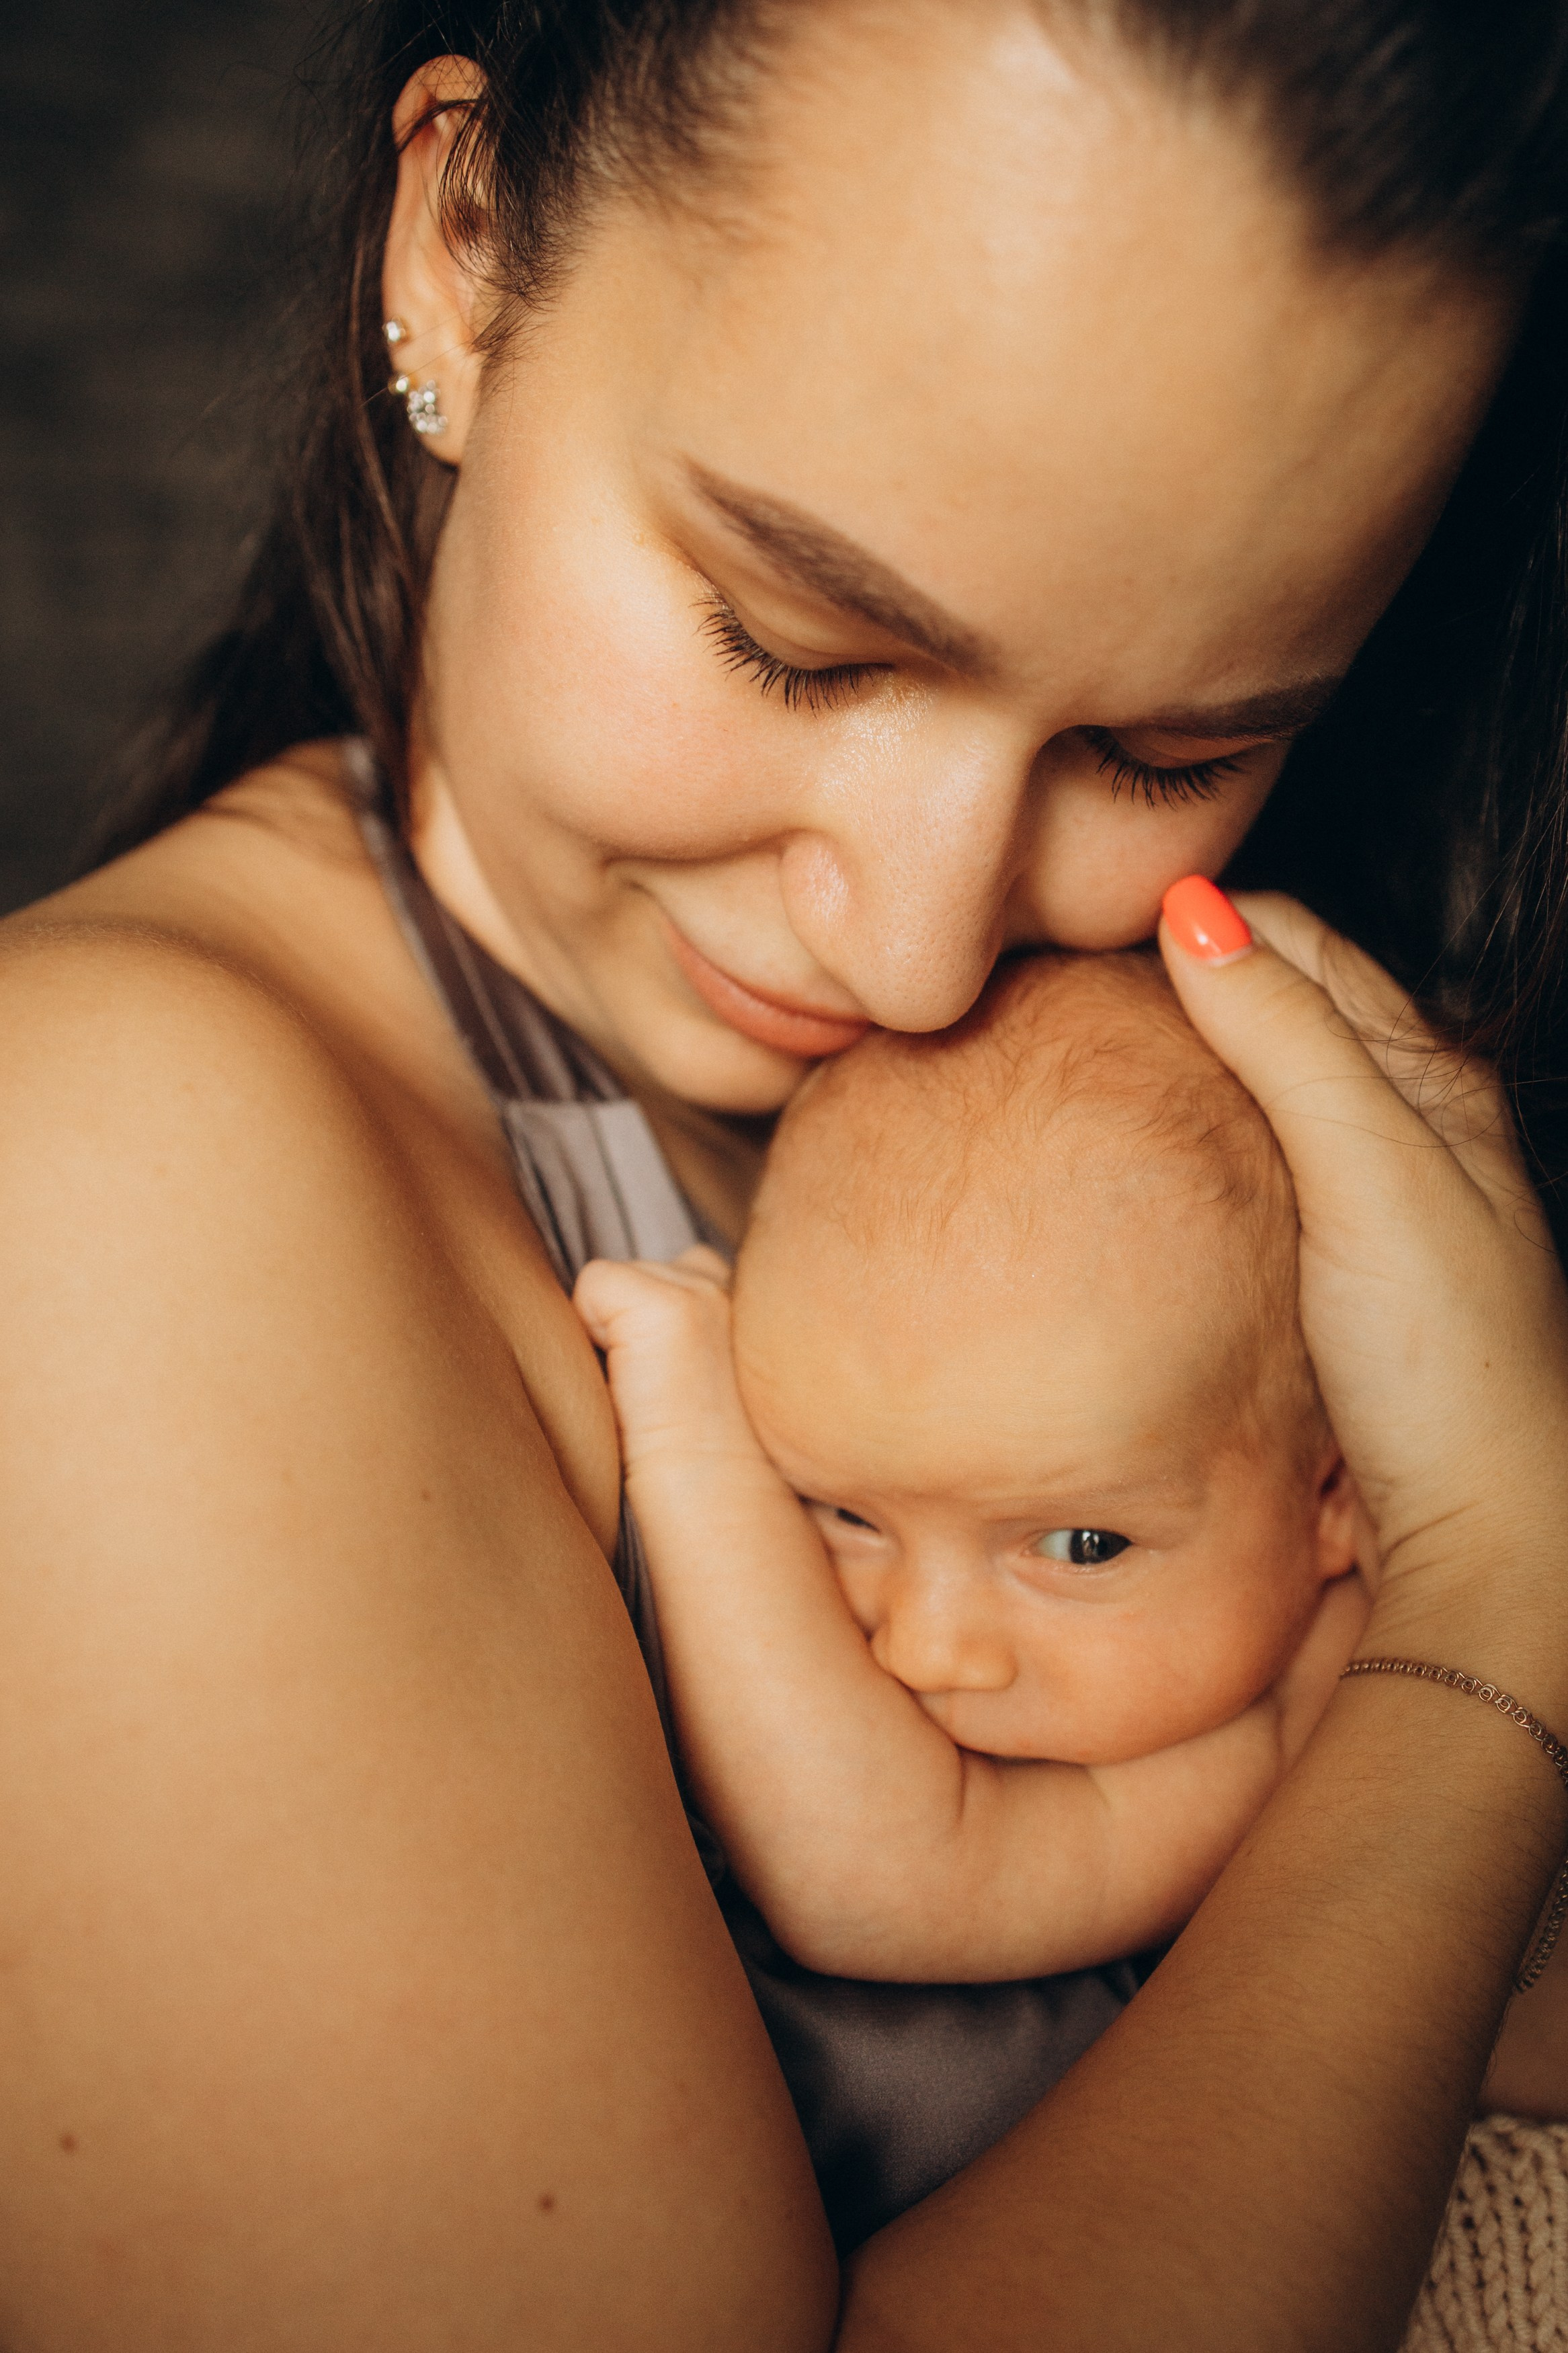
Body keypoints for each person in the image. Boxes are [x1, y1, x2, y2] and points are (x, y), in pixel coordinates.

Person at [4, 0, 1568, 2343]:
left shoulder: (1211, 1108)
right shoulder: (97, 1189)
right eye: (798, 640)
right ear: (457, 240)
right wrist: (1493, 1611)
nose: (922, 935)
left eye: (1166, 745)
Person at [576, 947, 1377, 1985]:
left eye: (1080, 1547)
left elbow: (882, 1888)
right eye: (843, 1514)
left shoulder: (1324, 1700)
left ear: (1337, 1491)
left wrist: (694, 1452)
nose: (926, 1651)